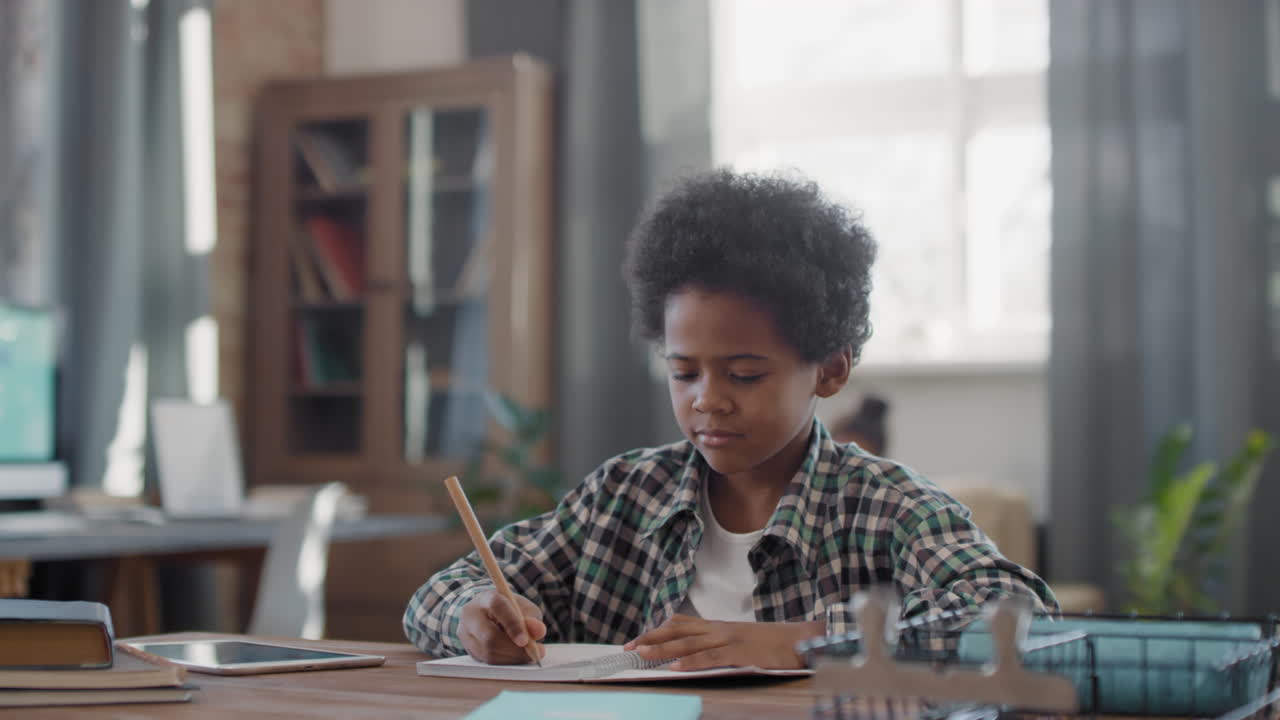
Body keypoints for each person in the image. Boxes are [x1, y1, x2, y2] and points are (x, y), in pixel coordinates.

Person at [403, 169, 1056, 671]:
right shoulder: (622, 496)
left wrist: (807, 642)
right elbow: (441, 592)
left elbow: (1021, 620)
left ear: (830, 370)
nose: (708, 400)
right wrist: (474, 617)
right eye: (684, 372)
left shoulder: (889, 508)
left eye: (744, 375)